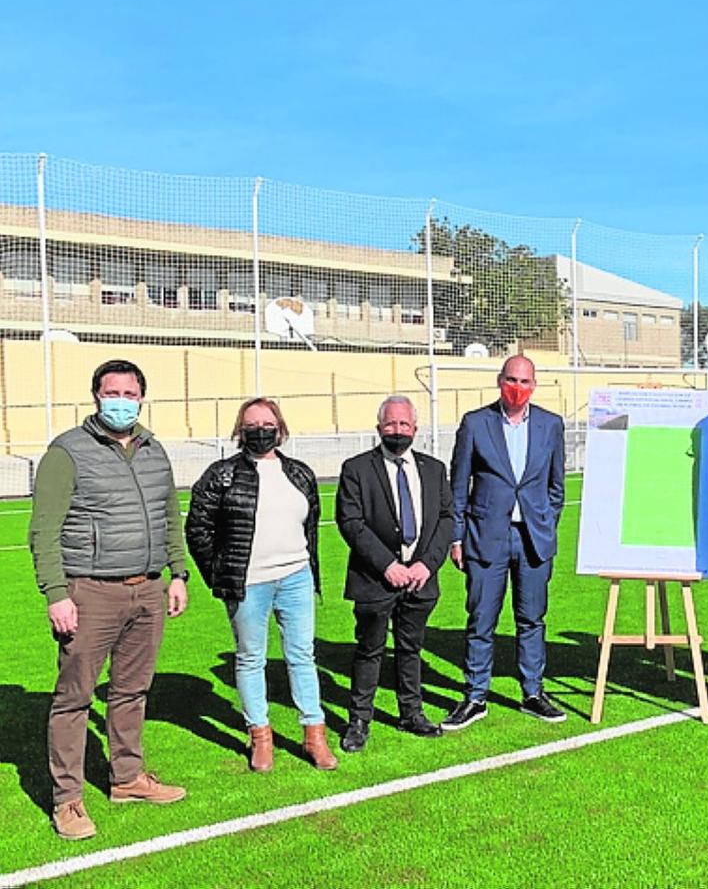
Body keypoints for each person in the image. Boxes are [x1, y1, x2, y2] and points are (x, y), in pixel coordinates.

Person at [29, 359, 189, 841]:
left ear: (142, 398)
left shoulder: (154, 450)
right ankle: (67, 799)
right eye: (111, 392)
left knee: (131, 691)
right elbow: (43, 531)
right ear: (96, 396)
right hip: (91, 592)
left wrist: (178, 573)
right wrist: (57, 594)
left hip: (148, 589)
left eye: (129, 393)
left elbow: (169, 515)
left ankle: (127, 778)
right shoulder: (67, 452)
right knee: (74, 698)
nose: (121, 401)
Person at [185, 397, 336, 772]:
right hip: (248, 584)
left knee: (302, 656)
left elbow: (309, 527)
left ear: (280, 429)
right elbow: (198, 529)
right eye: (251, 425)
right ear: (240, 430)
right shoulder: (221, 474)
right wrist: (220, 573)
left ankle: (314, 735)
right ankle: (260, 736)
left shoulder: (299, 473)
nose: (260, 430)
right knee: (251, 658)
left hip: (296, 578)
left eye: (268, 424)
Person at [444, 355, 566, 729]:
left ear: (534, 385)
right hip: (486, 537)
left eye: (525, 381)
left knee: (532, 619)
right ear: (500, 381)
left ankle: (533, 693)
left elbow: (556, 487)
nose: (517, 387)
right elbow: (458, 486)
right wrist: (457, 537)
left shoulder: (551, 424)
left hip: (533, 539)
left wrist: (545, 524)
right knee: (481, 620)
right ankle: (475, 696)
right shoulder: (475, 423)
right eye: (511, 379)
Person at [336, 395, 454, 752]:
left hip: (419, 578)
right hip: (375, 579)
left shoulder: (434, 470)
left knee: (410, 648)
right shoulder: (357, 468)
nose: (397, 430)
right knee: (369, 650)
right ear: (379, 427)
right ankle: (359, 720)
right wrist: (388, 565)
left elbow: (446, 519)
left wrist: (426, 564)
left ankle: (411, 713)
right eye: (391, 423)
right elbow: (351, 522)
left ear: (415, 428)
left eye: (404, 424)